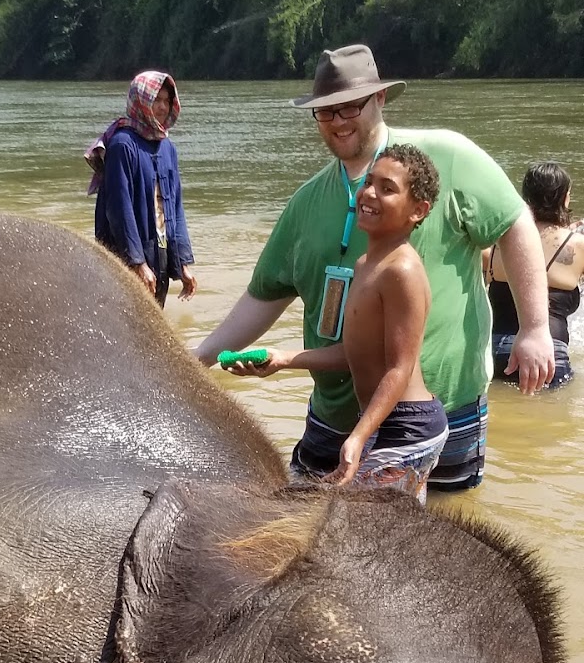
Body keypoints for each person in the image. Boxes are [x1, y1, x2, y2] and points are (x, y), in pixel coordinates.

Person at [196, 44, 554, 491]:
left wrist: (535, 327)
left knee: (449, 544)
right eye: (325, 112)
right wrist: (199, 360)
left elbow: (515, 221)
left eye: (350, 106)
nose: (339, 120)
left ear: (380, 99)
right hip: (335, 417)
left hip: (435, 414)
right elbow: (265, 294)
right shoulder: (307, 201)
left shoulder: (447, 157)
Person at [251, 145, 447, 503]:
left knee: (371, 540)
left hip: (406, 427)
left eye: (387, 188)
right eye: (369, 182)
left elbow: (399, 369)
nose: (369, 193)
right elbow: (354, 353)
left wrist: (356, 437)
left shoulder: (402, 270)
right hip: (381, 420)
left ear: (418, 211)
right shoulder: (364, 264)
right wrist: (283, 359)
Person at [87, 70, 197, 308]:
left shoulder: (167, 148)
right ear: (142, 101)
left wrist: (182, 264)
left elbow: (174, 209)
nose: (163, 107)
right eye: (156, 100)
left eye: (167, 101)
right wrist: (137, 263)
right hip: (126, 260)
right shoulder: (122, 145)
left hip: (160, 253)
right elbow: (119, 211)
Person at [485, 161, 584, 389]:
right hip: (547, 354)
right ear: (564, 198)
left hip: (494, 353)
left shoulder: (497, 240)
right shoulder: (577, 246)